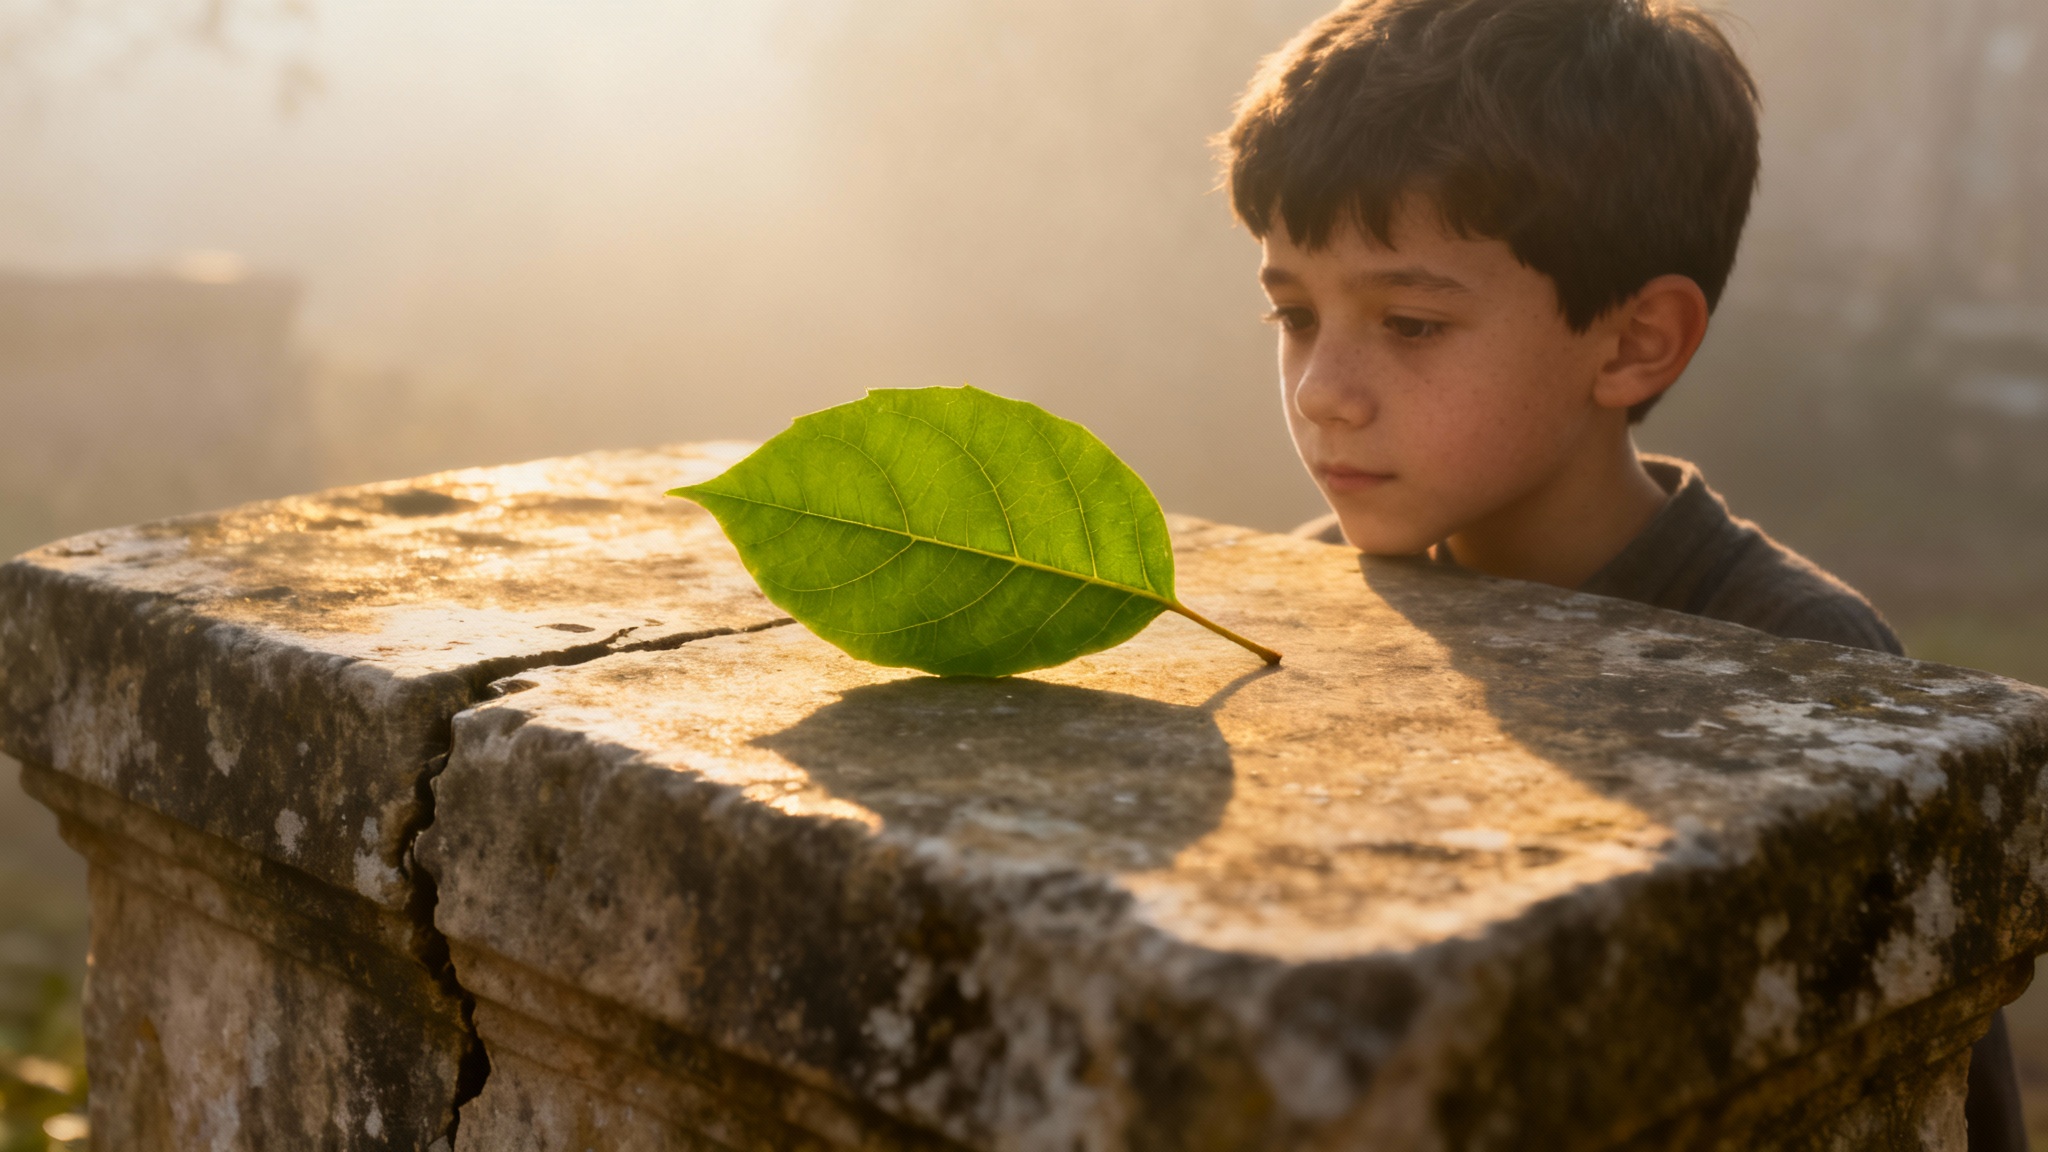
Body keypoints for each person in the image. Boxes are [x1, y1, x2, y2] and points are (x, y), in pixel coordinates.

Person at [1219, 0, 2027, 1146]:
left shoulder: (1799, 668)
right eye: (1293, 314)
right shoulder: (1309, 612)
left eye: (1405, 322)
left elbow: (1938, 1092)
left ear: (1634, 341)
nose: (1319, 389)